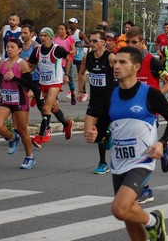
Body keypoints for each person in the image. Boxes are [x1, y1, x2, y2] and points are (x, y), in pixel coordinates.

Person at [85, 46, 168, 241]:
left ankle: (154, 222)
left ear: (135, 67)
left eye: (122, 62)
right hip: (119, 161)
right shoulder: (111, 95)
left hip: (142, 160)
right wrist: (95, 134)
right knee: (128, 214)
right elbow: (102, 128)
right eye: (115, 62)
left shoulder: (150, 94)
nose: (116, 66)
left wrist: (162, 143)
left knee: (119, 208)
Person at [125, 27, 168, 204]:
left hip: (148, 113)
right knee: (135, 151)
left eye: (134, 42)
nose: (131, 45)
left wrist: (157, 97)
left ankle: (145, 190)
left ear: (142, 43)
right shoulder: (126, 60)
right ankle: (163, 148)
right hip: (130, 111)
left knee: (141, 152)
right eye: (128, 42)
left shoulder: (151, 61)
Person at [0, 39, 36, 169]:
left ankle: (29, 156)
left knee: (23, 131)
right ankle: (12, 138)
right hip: (6, 99)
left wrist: (14, 78)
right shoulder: (3, 63)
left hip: (20, 101)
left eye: (12, 47)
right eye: (8, 47)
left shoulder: (22, 65)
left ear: (20, 49)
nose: (9, 49)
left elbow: (30, 84)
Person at [27, 27, 74, 148]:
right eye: (41, 35)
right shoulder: (37, 51)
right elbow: (31, 66)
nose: (42, 38)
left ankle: (41, 136)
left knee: (46, 107)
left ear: (51, 37)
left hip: (55, 82)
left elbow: (69, 58)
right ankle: (66, 124)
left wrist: (67, 74)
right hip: (43, 83)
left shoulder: (57, 49)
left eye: (45, 36)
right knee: (53, 108)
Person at [79, 30, 116, 175]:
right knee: (89, 133)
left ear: (103, 43)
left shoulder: (110, 57)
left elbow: (122, 73)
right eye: (90, 41)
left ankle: (103, 163)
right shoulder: (86, 57)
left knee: (98, 132)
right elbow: (81, 73)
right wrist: (81, 90)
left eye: (95, 41)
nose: (91, 43)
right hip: (94, 100)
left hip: (109, 100)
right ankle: (108, 133)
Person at [54, 23, 77, 105]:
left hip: (67, 61)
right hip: (58, 62)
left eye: (62, 29)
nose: (60, 30)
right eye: (59, 29)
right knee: (57, 79)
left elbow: (74, 50)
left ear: (66, 30)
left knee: (69, 80)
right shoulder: (55, 39)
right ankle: (55, 97)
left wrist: (66, 52)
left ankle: (73, 94)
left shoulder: (70, 39)